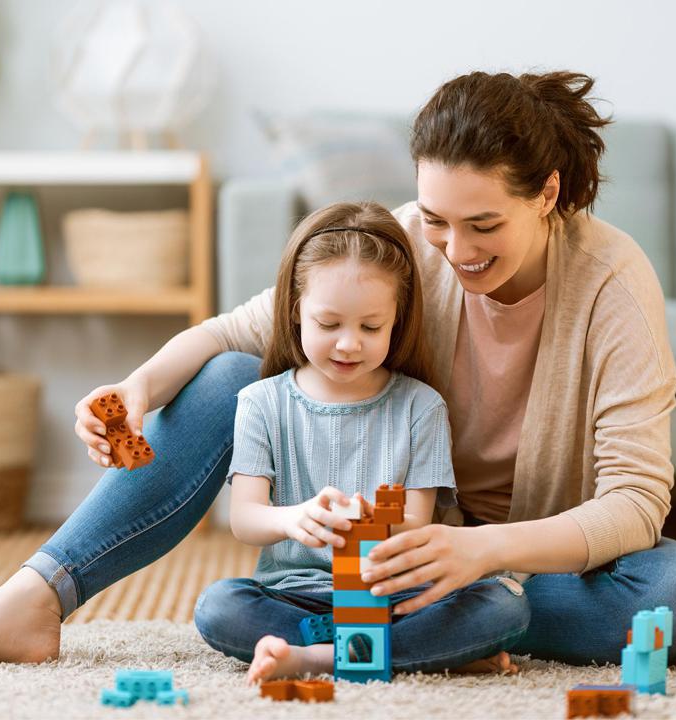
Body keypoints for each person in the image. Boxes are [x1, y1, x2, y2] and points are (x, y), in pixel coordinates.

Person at [0, 69, 676, 673]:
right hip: (393, 563)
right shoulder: (407, 250)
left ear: (546, 195)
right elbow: (232, 332)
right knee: (228, 374)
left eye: (483, 225)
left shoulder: (613, 282)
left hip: (520, 556)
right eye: (436, 219)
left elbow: (637, 500)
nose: (456, 253)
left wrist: (479, 552)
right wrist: (138, 389)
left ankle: (428, 628)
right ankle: (39, 595)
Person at [192, 202, 526, 683]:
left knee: (502, 606)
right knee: (219, 605)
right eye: (329, 325)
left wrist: (366, 526)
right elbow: (245, 519)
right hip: (297, 592)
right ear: (295, 310)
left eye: (370, 327)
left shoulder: (421, 406)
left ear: (396, 320)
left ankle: (317, 658)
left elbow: (416, 520)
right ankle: (417, 654)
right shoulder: (261, 402)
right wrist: (296, 517)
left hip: (394, 594)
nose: (349, 344)